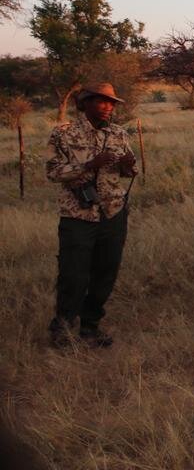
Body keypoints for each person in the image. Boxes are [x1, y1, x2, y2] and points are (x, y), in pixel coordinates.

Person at [44, 82, 138, 347]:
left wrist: (128, 167)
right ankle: (62, 328)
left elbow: (129, 171)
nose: (107, 107)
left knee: (105, 272)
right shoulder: (64, 133)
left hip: (113, 212)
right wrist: (88, 165)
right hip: (78, 214)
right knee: (73, 273)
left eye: (111, 103)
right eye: (101, 101)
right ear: (84, 103)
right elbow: (52, 172)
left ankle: (90, 327)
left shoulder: (119, 133)